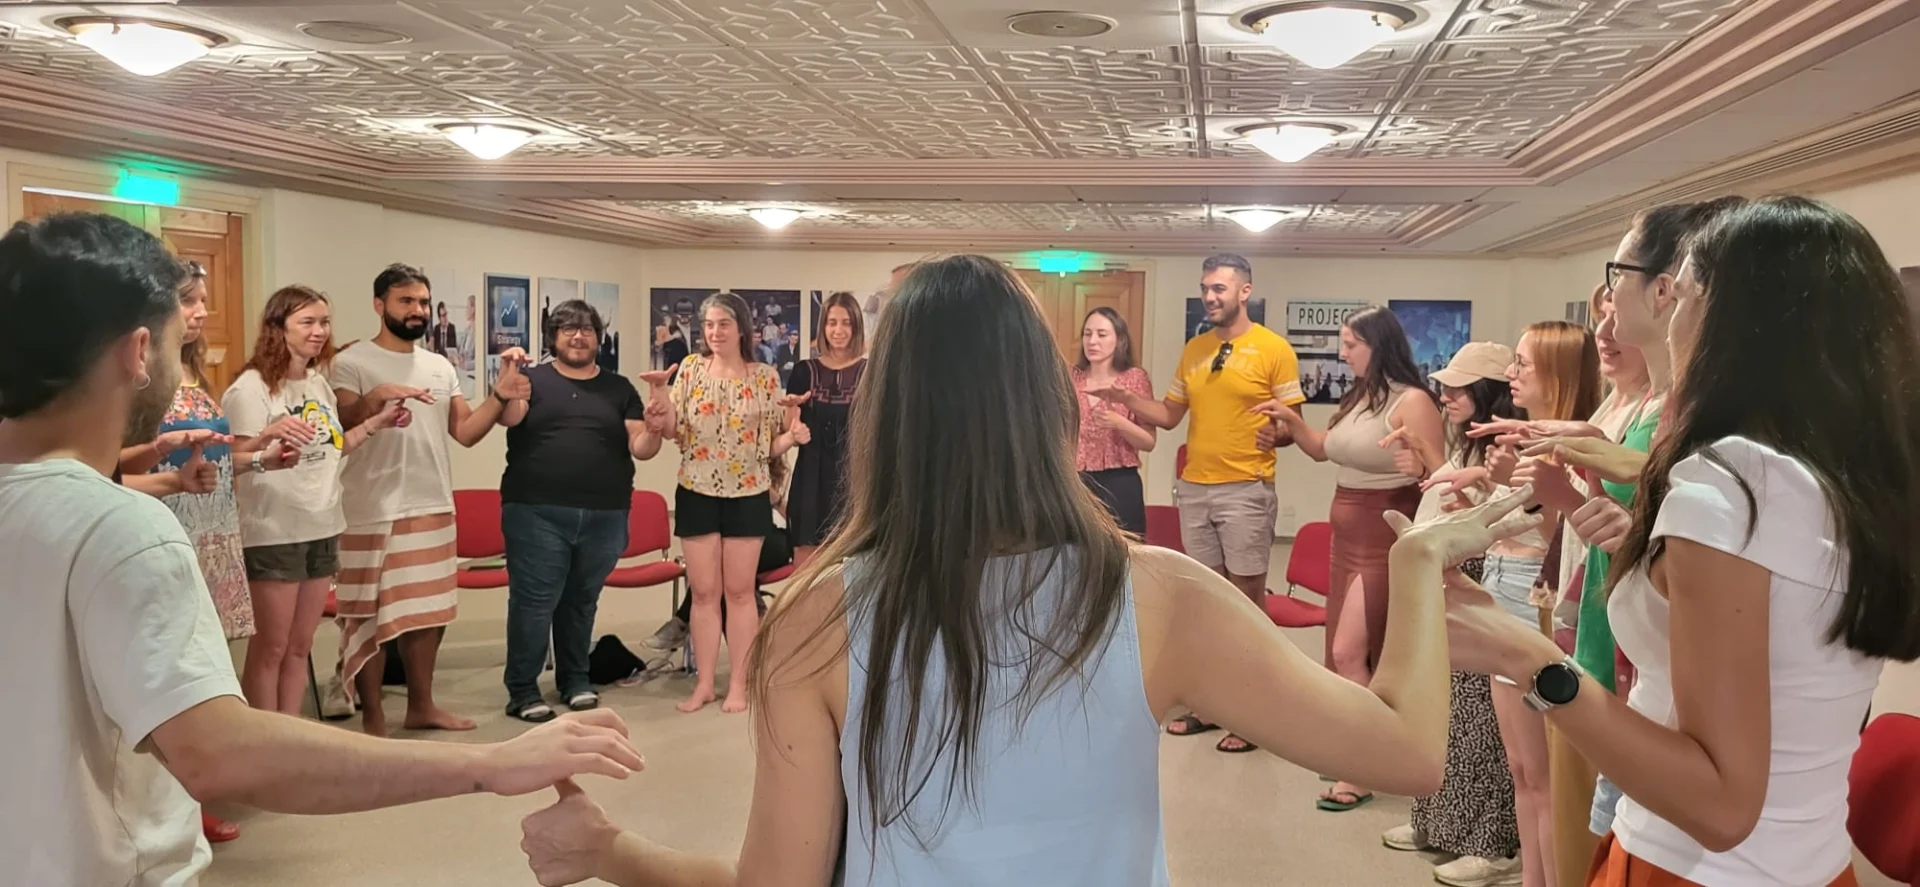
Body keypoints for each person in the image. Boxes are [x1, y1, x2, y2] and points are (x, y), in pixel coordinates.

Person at [514, 253, 1545, 887]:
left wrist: (610, 851)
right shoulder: (1157, 594)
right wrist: (1418, 564)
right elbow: (1406, 750)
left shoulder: (817, 615)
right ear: (1045, 400)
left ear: (890, 413)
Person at [0, 212, 646, 887]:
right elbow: (219, 753)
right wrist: (491, 763)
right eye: (172, 335)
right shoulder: (121, 527)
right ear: (138, 351)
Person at [1460, 196, 1920, 887]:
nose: (1670, 318)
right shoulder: (1850, 477)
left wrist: (1523, 655)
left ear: (1728, 321)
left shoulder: (1732, 483)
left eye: (1682, 297)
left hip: (1692, 866)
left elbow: (1721, 805)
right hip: (1812, 862)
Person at [116, 261, 305, 844]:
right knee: (171, 680)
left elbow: (208, 463)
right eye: (189, 300)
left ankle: (196, 792)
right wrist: (170, 471)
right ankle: (176, 807)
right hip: (165, 526)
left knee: (204, 671)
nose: (202, 312)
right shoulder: (136, 376)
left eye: (203, 300)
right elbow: (109, 467)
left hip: (215, 532)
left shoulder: (194, 372)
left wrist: (259, 455)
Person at [1094, 253, 1303, 755]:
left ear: (1244, 291)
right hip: (1195, 488)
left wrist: (1277, 433)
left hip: (1246, 488)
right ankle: (1213, 704)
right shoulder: (1195, 349)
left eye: (1219, 289)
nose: (1210, 297)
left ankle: (1254, 711)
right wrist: (1125, 399)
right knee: (1208, 600)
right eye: (1206, 288)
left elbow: (1290, 426)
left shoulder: (1273, 349)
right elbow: (1169, 416)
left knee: (1246, 600)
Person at [1254, 306, 1445, 809]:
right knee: (1343, 654)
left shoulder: (1412, 401)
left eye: (1351, 345)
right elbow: (1324, 449)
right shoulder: (1361, 396)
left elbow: (1439, 475)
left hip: (1383, 538)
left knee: (1353, 650)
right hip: (1347, 538)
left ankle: (1364, 764)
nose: (1343, 354)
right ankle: (1353, 747)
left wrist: (1418, 466)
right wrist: (1292, 423)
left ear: (1378, 346)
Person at [1437, 320, 1600, 887]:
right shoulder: (1526, 441)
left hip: (1537, 598)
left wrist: (1521, 491)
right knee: (1523, 770)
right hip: (1506, 587)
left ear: (1556, 373)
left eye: (1523, 364)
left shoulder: (1574, 448)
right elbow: (1521, 523)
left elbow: (1564, 542)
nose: (1511, 373)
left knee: (1547, 776)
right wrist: (1484, 497)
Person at [329, 263, 523, 736]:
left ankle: (422, 705)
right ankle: (373, 717)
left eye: (422, 302)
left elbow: (466, 432)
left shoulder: (440, 366)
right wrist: (376, 397)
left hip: (432, 503)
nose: (417, 310)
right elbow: (342, 421)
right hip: (369, 508)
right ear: (379, 305)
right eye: (406, 301)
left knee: (428, 613)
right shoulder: (351, 362)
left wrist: (499, 395)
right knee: (367, 617)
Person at [222, 284, 409, 722]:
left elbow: (333, 448)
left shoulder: (318, 384)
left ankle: (290, 737)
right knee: (271, 648)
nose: (319, 331)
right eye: (307, 322)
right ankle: (262, 741)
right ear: (278, 328)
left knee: (299, 647)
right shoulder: (250, 389)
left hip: (323, 526)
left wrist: (377, 423)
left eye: (324, 322)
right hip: (273, 531)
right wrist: (267, 441)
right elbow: (232, 460)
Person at [1380, 342, 1524, 886]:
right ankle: (1439, 823)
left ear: (1489, 392)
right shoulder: (1468, 444)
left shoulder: (1503, 447)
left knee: (1479, 719)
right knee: (1445, 708)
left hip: (1485, 579)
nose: (1447, 397)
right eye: (1446, 387)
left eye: (1461, 388)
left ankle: (1490, 842)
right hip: (1451, 576)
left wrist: (1435, 464)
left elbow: (1502, 513)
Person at [637, 291, 807, 715]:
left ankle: (739, 684)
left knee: (740, 593)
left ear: (742, 329)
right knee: (704, 593)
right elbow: (674, 429)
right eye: (709, 325)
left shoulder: (765, 377)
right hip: (697, 491)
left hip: (747, 494)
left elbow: (770, 445)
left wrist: (791, 438)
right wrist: (659, 398)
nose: (715, 332)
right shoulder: (691, 370)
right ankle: (705, 684)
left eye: (724, 324)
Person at [498, 299, 662, 722]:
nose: (578, 336)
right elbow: (510, 418)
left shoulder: (619, 388)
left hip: (605, 515)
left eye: (587, 329)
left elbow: (641, 447)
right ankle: (523, 690)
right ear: (553, 337)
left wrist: (655, 428)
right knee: (534, 603)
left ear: (598, 338)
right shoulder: (531, 380)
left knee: (580, 602)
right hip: (536, 511)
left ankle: (574, 680)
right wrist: (507, 379)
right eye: (568, 329)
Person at [784, 290, 867, 566]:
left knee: (852, 564)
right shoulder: (803, 371)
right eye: (832, 323)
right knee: (806, 565)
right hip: (811, 478)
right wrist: (792, 413)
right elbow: (790, 429)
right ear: (823, 327)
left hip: (855, 480)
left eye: (846, 323)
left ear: (856, 327)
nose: (838, 330)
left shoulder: (871, 372)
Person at [1073, 307, 1155, 535]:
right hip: (1077, 480)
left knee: (1127, 548)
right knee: (1078, 546)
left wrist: (1119, 423)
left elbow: (1149, 442)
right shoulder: (1071, 378)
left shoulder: (1134, 379)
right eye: (1087, 334)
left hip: (1120, 481)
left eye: (1101, 334)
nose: (1092, 341)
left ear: (1119, 340)